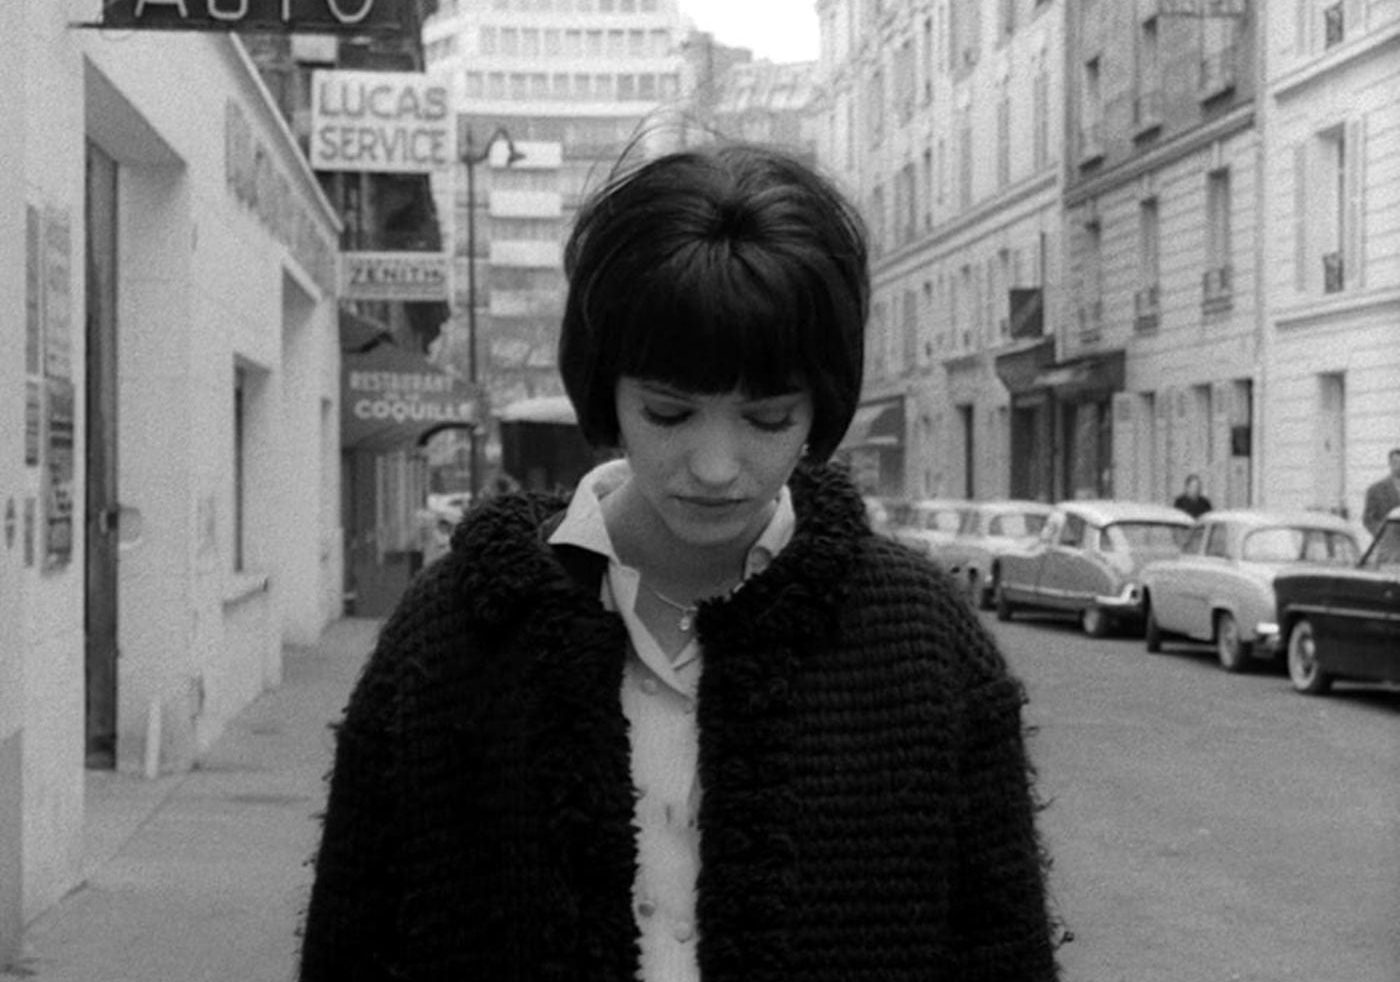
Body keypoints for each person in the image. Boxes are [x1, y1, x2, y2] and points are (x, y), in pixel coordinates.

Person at [298, 142, 1062, 982]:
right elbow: (353, 944)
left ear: (821, 405)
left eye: (768, 419)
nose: (715, 466)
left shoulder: (921, 640)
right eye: (668, 413)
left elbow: (1003, 951)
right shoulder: (460, 627)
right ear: (608, 391)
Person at [1361, 448, 1400, 537]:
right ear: (1389, 463)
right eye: (1396, 462)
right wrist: (1383, 534)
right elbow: (1368, 519)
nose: (1399, 466)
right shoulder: (1375, 490)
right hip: (1387, 542)